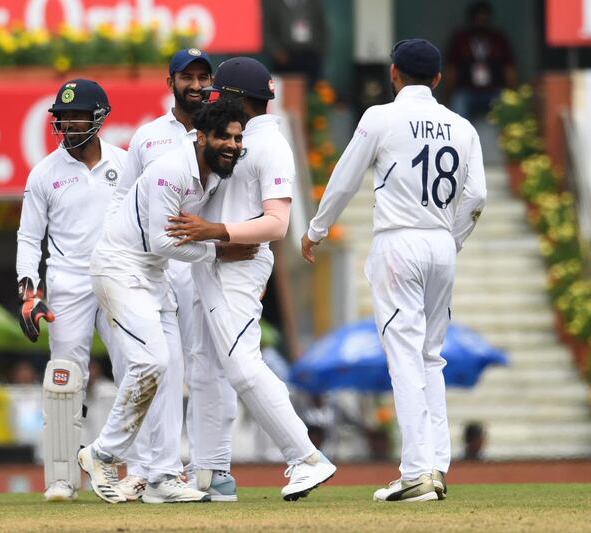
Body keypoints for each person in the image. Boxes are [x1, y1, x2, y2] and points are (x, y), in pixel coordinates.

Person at [301, 39, 487, 502]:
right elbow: (477, 196)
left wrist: (317, 230)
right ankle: (436, 467)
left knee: (403, 355)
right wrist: (452, 239)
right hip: (442, 242)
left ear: (393, 74)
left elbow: (344, 178)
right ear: (439, 79)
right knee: (431, 357)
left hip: (399, 242)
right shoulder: (462, 127)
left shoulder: (380, 118)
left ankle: (417, 472)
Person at [164, 57, 337, 501]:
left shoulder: (270, 144)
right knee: (203, 367)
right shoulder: (235, 139)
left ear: (239, 98)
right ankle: (210, 473)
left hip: (238, 264)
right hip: (212, 260)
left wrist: (218, 232)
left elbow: (278, 225)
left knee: (242, 367)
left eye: (220, 93)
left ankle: (306, 457)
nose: (212, 99)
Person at [79, 97, 256, 505]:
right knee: (151, 362)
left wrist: (213, 236)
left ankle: (162, 478)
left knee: (170, 372)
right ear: (201, 137)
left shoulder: (213, 173)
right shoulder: (169, 171)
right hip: (120, 269)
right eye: (224, 137)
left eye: (237, 137)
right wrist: (218, 247)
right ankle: (102, 453)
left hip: (152, 275)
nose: (232, 144)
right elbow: (163, 239)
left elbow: (172, 242)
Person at [108, 47, 238, 502]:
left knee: (207, 367)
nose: (198, 85)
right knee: (153, 367)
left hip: (203, 267)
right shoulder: (147, 138)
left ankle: (211, 467)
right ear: (172, 83)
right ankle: (149, 470)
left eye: (205, 76)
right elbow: (123, 201)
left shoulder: (226, 137)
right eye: (189, 77)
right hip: (161, 266)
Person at [15, 79, 128, 502]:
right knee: (65, 379)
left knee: (135, 369)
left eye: (76, 115)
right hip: (67, 282)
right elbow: (29, 238)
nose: (67, 124)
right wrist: (29, 291)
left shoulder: (125, 162)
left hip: (118, 275)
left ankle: (126, 469)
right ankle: (62, 476)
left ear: (98, 117)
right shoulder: (44, 172)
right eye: (61, 117)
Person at [444, 1, 517, 119]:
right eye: (477, 18)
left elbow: (509, 70)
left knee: (507, 106)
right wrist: (446, 97)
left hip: (494, 91)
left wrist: (513, 96)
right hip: (467, 91)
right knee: (458, 103)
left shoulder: (498, 39)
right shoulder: (460, 39)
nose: (480, 22)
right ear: (471, 20)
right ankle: (459, 137)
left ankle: (511, 137)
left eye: (484, 18)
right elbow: (452, 71)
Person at [262, 0, 328, 87]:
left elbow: (322, 27)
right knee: (288, 91)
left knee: (311, 89)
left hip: (310, 54)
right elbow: (267, 31)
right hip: (285, 56)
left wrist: (319, 51)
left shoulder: (313, 3)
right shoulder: (273, 3)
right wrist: (276, 52)